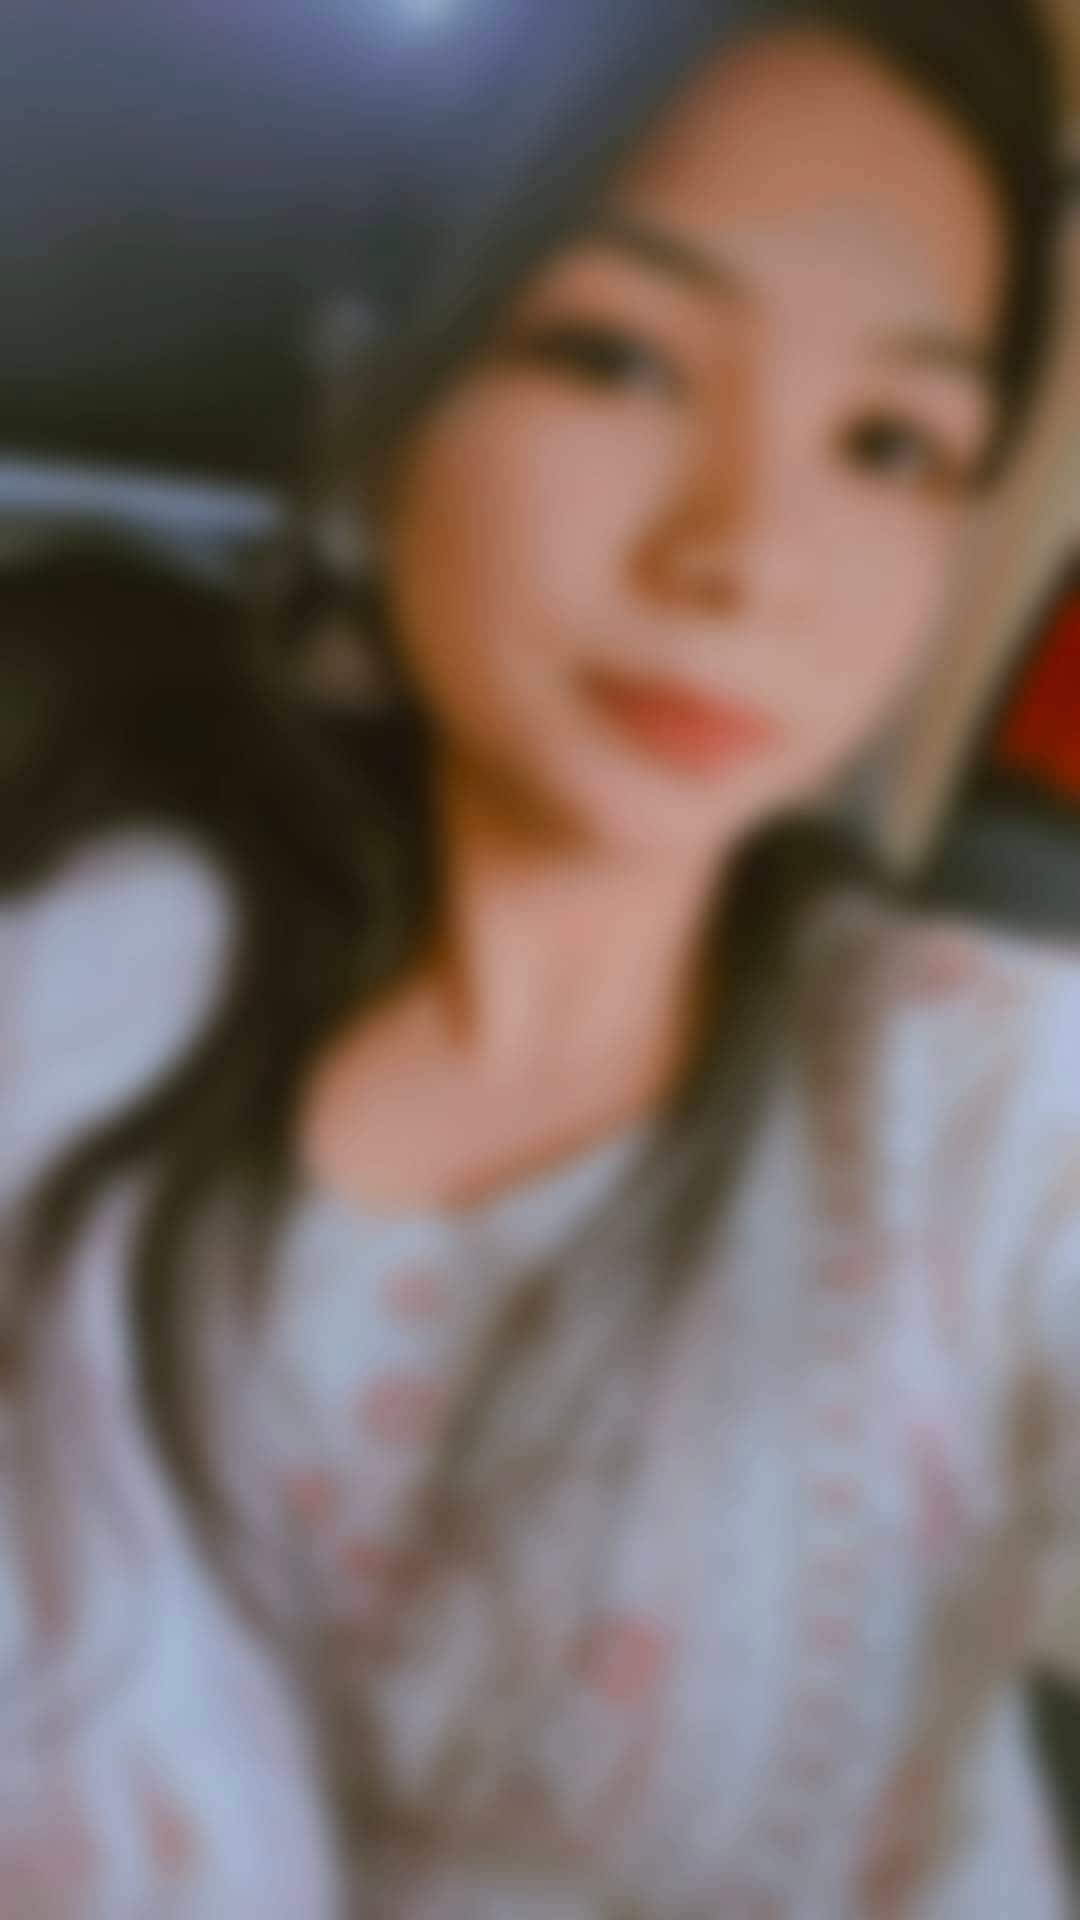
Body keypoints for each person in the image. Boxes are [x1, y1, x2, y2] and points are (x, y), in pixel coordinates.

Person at [0, 2, 1075, 1913]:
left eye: (889, 443)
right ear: (376, 394)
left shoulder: (980, 1102)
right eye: (618, 357)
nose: (747, 555)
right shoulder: (94, 959)